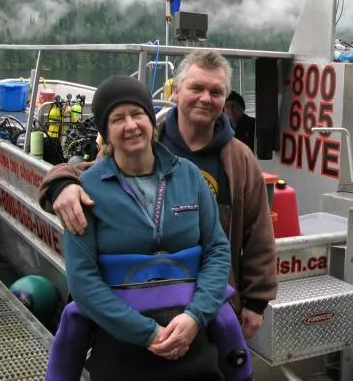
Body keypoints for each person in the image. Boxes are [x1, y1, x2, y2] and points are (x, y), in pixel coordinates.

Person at [40, 50, 277, 340]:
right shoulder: (144, 140)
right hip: (136, 307)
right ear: (176, 92)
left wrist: (256, 301)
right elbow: (94, 174)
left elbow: (259, 233)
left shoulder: (240, 159)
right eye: (196, 88)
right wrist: (60, 184)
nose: (206, 97)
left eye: (216, 91)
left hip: (211, 305)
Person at [58, 75, 231, 379]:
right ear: (105, 133)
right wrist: (147, 334)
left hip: (193, 339)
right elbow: (82, 279)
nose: (130, 125)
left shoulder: (189, 175)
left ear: (151, 121)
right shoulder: (86, 190)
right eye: (117, 119)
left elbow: (217, 249)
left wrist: (194, 317)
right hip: (121, 346)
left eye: (138, 114)